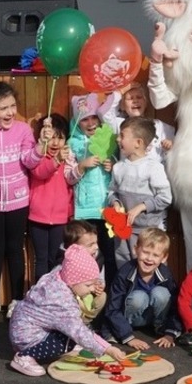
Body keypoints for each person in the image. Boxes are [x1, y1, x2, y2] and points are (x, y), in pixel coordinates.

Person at [0, 81, 43, 320]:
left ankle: (17, 300)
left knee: (15, 249)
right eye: (3, 108)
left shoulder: (23, 130)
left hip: (19, 201)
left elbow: (30, 161)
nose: (10, 112)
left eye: (13, 106)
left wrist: (40, 147)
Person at [8, 244, 125, 377]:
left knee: (72, 334)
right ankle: (25, 356)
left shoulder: (58, 276)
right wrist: (107, 349)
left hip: (22, 327)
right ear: (73, 280)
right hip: (27, 337)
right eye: (88, 285)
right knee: (68, 339)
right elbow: (79, 331)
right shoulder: (62, 303)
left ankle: (34, 349)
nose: (92, 289)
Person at [67, 93, 118, 286]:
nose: (90, 123)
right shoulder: (72, 145)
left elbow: (120, 171)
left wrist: (112, 165)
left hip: (106, 208)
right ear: (76, 122)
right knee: (87, 256)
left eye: (94, 117)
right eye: (84, 119)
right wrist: (82, 166)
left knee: (110, 253)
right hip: (85, 211)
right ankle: (86, 293)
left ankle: (110, 295)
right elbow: (68, 177)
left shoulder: (109, 140)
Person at [102, 227, 180, 350]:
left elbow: (176, 306)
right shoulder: (124, 273)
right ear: (136, 250)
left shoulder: (165, 274)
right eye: (145, 252)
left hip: (153, 318)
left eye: (155, 255)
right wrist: (128, 337)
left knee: (162, 293)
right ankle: (127, 329)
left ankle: (160, 327)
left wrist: (170, 333)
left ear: (164, 258)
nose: (149, 258)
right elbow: (112, 308)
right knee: (139, 297)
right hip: (131, 319)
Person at [109, 116, 172, 262]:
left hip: (148, 233)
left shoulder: (153, 168)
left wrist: (141, 207)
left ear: (138, 142)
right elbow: (112, 192)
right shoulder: (118, 167)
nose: (118, 139)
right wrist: (115, 202)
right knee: (124, 266)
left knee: (148, 265)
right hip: (122, 230)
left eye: (122, 136)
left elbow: (165, 198)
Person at [27, 113, 73, 279]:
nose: (55, 143)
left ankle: (53, 291)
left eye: (60, 138)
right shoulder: (37, 156)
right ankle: (39, 292)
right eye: (51, 137)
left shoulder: (68, 158)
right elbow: (40, 172)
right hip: (38, 217)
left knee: (55, 258)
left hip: (60, 218)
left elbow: (73, 180)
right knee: (41, 258)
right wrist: (56, 160)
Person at [98, 82, 176, 165]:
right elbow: (103, 112)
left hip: (153, 171)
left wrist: (170, 148)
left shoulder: (160, 126)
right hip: (128, 171)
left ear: (146, 102)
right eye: (130, 98)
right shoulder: (119, 124)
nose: (135, 101)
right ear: (123, 106)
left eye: (139, 97)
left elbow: (173, 154)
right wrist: (121, 92)